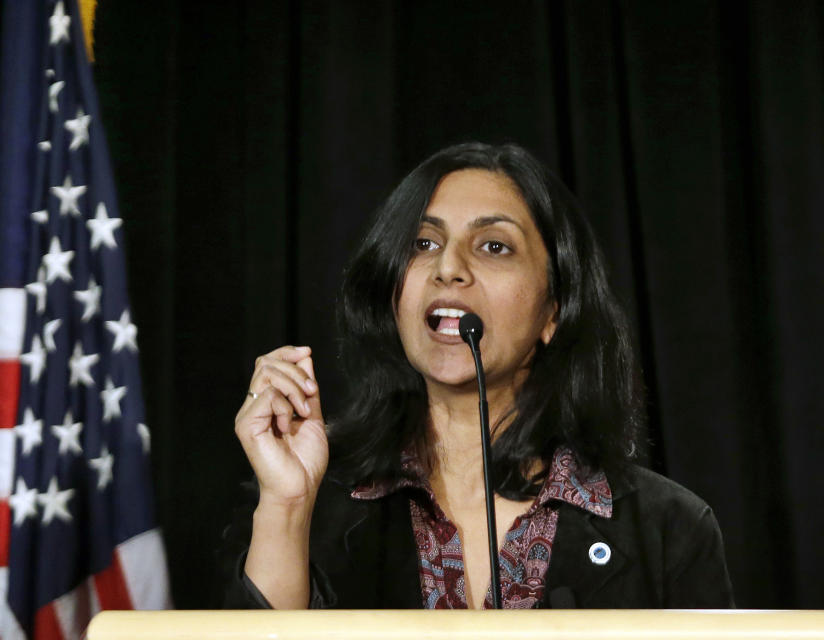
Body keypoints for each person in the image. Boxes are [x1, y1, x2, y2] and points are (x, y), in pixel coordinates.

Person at [220, 142, 734, 609]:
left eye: (494, 246)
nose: (448, 267)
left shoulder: (669, 528)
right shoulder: (313, 502)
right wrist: (287, 506)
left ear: (554, 310)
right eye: (422, 243)